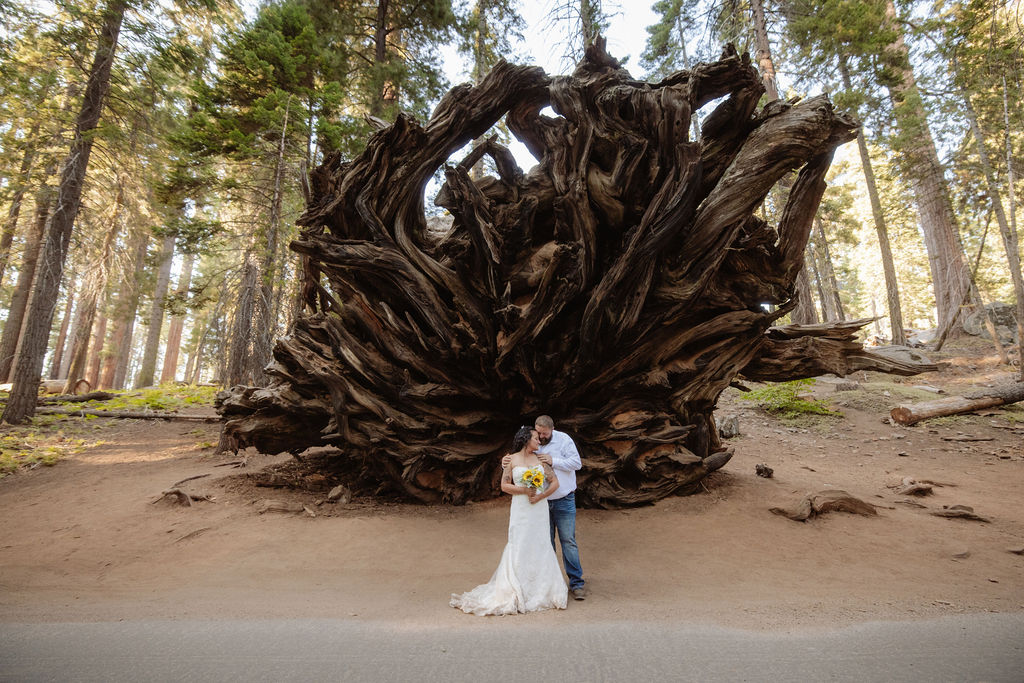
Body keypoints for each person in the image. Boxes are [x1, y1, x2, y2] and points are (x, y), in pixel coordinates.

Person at [450, 426, 568, 615]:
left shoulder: (540, 459)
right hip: (521, 508)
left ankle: (543, 587)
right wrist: (524, 490)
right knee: (519, 541)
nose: (539, 441)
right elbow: (505, 485)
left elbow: (555, 483)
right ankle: (516, 585)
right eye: (536, 438)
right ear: (526, 440)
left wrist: (540, 496)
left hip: (538, 508)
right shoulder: (511, 460)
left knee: (540, 542)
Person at [532, 415, 586, 600]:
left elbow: (576, 463)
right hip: (541, 502)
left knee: (568, 541)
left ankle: (577, 583)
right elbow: (517, 457)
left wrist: (553, 460)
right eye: (538, 433)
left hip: (564, 498)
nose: (540, 437)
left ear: (552, 429)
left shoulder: (564, 440)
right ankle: (552, 582)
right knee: (546, 542)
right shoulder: (532, 440)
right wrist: (504, 462)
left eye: (544, 433)